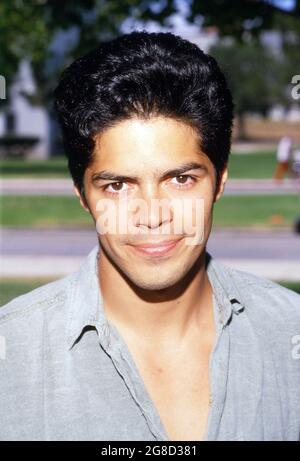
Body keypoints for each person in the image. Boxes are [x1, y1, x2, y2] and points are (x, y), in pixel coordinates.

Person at [0, 31, 299, 442]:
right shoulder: (11, 353)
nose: (152, 215)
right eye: (118, 186)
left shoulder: (290, 332)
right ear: (82, 195)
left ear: (219, 181)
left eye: (180, 179)